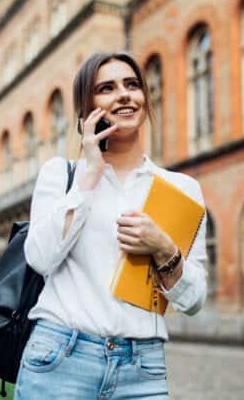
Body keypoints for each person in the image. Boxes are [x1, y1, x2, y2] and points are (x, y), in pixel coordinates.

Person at [14, 51, 207, 399]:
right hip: (61, 358)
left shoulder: (182, 190)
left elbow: (193, 300)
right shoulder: (61, 175)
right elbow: (40, 258)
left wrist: (163, 247)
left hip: (143, 369)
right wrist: (89, 173)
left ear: (145, 99)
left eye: (132, 85)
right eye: (107, 88)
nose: (124, 94)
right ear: (87, 109)